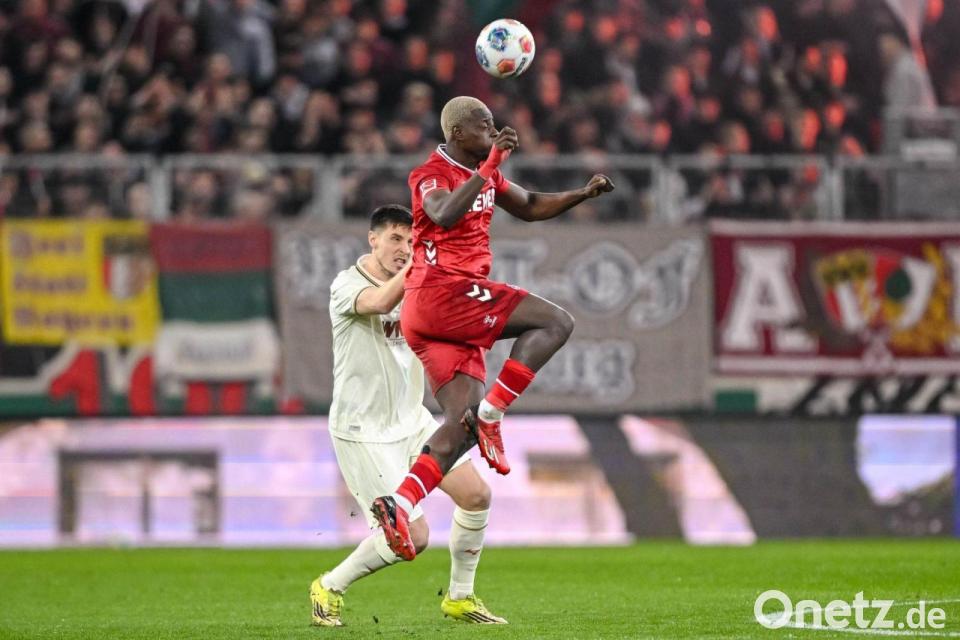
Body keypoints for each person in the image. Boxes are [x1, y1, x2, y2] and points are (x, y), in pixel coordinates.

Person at [370, 96, 614, 561]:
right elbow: (442, 213)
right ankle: (493, 413)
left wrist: (581, 194)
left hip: (436, 314)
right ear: (459, 134)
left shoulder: (486, 173)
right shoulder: (431, 173)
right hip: (442, 292)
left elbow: (530, 205)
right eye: (485, 126)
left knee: (461, 424)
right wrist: (489, 166)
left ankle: (400, 502)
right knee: (556, 321)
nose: (495, 131)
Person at [309, 205, 507, 626]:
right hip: (363, 430)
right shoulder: (347, 284)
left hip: (412, 421)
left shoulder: (421, 285)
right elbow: (381, 301)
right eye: (396, 239)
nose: (405, 248)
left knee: (476, 496)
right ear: (373, 239)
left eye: (413, 241)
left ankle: (460, 598)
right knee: (413, 538)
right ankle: (329, 586)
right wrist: (423, 262)